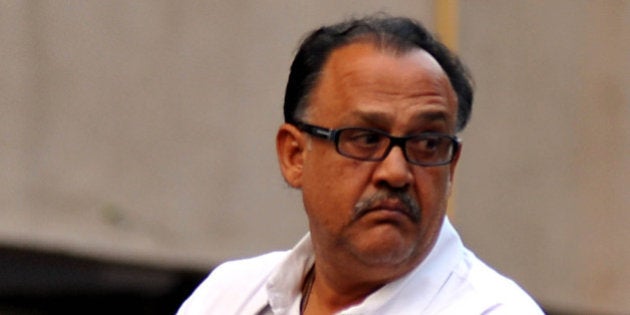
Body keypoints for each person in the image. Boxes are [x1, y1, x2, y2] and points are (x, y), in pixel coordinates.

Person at [178, 15, 544, 314]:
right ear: (294, 156)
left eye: (428, 144)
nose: (396, 173)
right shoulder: (228, 297)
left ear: (451, 169)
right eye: (367, 139)